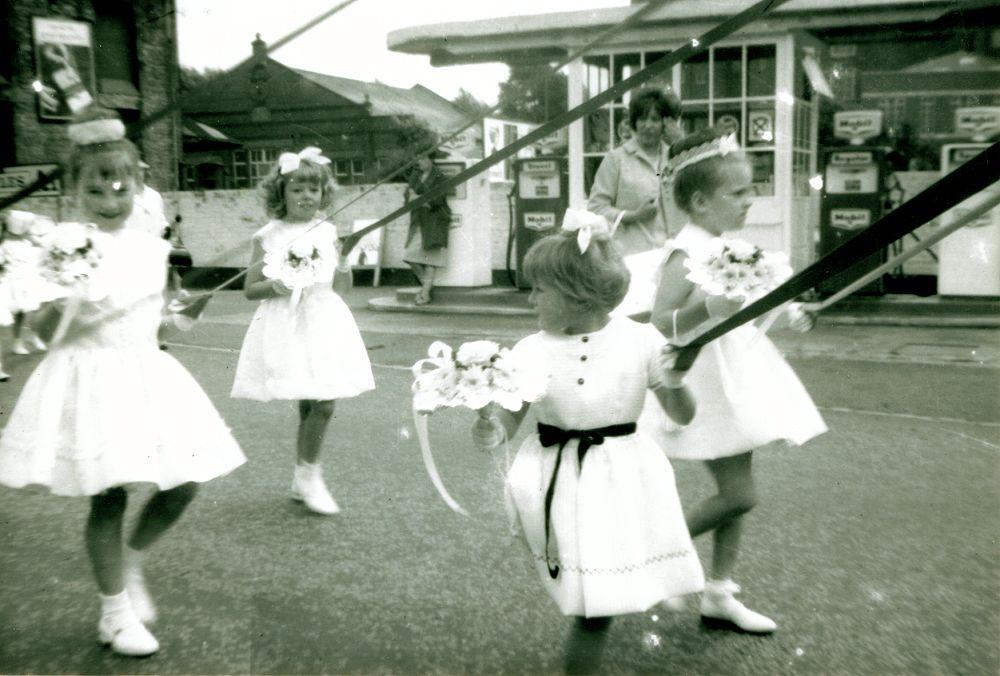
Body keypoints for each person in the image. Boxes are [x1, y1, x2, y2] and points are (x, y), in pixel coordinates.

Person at [0, 106, 246, 657]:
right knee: (108, 497)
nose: (111, 189)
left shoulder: (154, 247)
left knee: (183, 482)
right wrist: (67, 309)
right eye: (97, 182)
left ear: (137, 183)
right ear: (74, 189)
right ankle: (113, 612)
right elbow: (42, 330)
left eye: (123, 180)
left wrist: (188, 311)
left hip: (145, 372)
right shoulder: (61, 247)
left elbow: (161, 319)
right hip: (90, 378)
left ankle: (131, 563)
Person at [471, 216, 704, 674]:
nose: (531, 299)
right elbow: (508, 422)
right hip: (559, 481)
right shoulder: (528, 351)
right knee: (591, 603)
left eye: (540, 289)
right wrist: (488, 426)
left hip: (625, 476)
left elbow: (683, 415)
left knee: (595, 607)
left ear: (578, 293)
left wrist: (674, 378)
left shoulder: (641, 341)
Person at [640, 127, 827, 634]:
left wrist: (791, 313)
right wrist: (709, 305)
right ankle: (655, 557)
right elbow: (662, 321)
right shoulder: (686, 252)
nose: (750, 201)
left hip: (737, 374)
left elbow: (756, 295)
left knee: (738, 490)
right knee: (740, 495)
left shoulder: (727, 245)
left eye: (751, 190)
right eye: (739, 192)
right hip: (706, 380)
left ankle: (718, 593)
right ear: (700, 201)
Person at [231, 147, 375, 515]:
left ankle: (305, 475)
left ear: (323, 194)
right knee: (314, 400)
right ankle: (307, 476)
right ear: (281, 194)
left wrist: (343, 264)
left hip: (325, 321)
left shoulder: (328, 232)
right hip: (287, 324)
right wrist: (276, 286)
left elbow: (342, 290)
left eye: (313, 189)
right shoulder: (267, 236)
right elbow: (250, 289)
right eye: (297, 189)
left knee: (322, 401)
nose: (306, 196)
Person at [587, 87, 684, 256]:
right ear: (634, 122)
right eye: (642, 119)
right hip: (630, 257)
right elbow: (596, 208)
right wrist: (634, 215)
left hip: (672, 256)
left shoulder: (676, 159)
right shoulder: (616, 159)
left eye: (654, 119)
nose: (647, 125)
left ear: (665, 123)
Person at [403, 154, 451, 305]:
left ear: (431, 159)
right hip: (418, 221)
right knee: (410, 256)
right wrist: (409, 197)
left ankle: (424, 293)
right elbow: (408, 197)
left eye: (423, 159)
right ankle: (427, 287)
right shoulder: (415, 175)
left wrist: (418, 198)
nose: (419, 162)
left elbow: (438, 200)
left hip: (434, 221)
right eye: (417, 159)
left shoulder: (440, 177)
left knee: (431, 258)